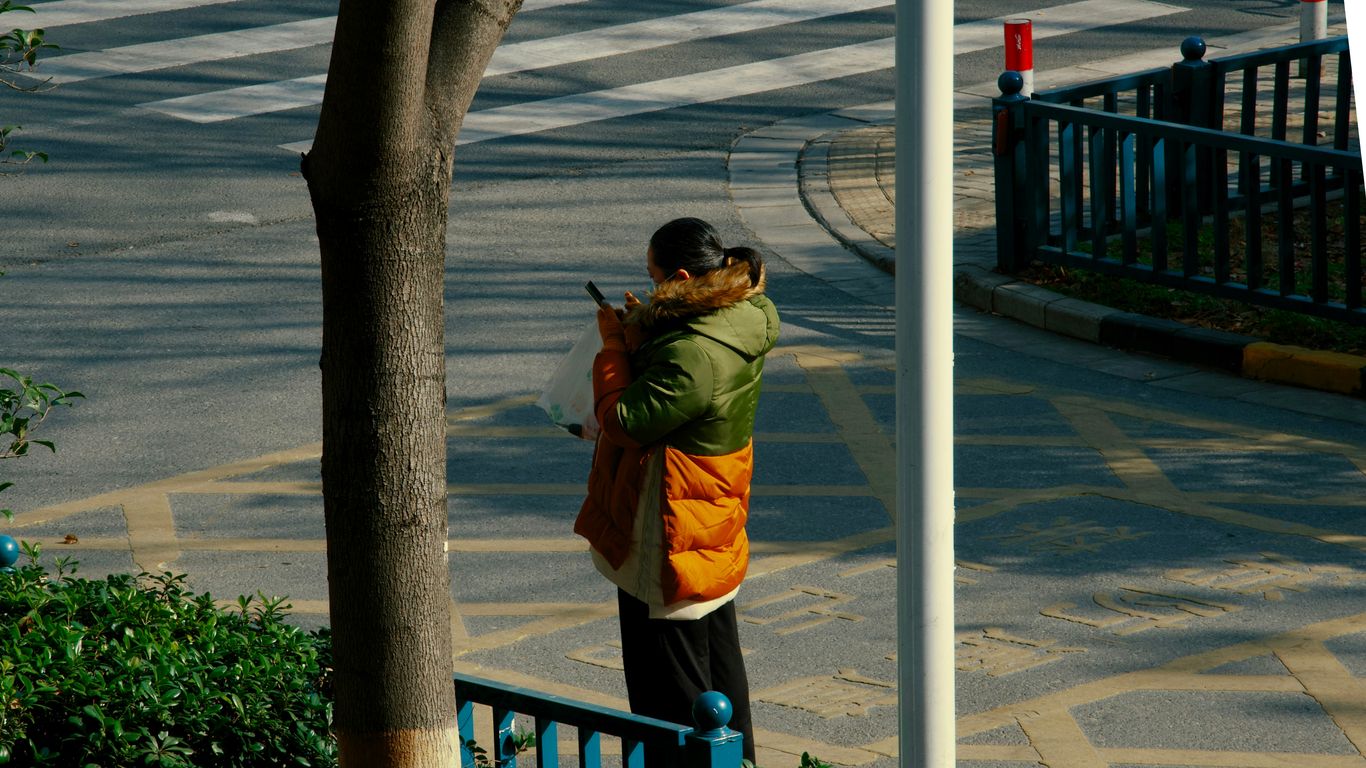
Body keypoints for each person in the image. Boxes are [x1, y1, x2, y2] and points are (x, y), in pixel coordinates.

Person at [575, 217, 779, 765]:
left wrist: (615, 347)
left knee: (670, 690)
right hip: (712, 512)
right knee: (719, 666)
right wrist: (651, 324)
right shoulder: (744, 314)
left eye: (655, 277)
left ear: (685, 276)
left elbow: (622, 420)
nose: (651, 285)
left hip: (671, 523)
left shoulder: (692, 353)